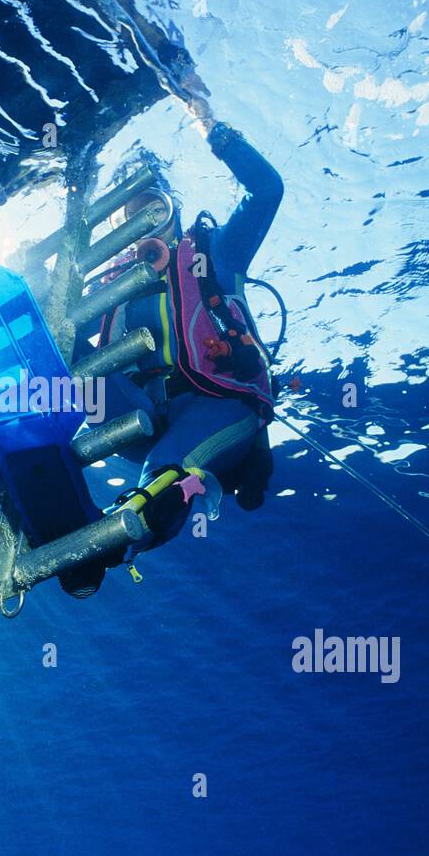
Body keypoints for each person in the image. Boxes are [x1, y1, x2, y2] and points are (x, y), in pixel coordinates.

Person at [79, 77, 285, 569]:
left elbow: (267, 190)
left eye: (156, 209)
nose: (146, 223)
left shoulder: (216, 253)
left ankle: (114, 544)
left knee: (166, 472)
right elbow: (66, 346)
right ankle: (19, 463)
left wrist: (208, 122)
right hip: (136, 414)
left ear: (174, 211)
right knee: (51, 355)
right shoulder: (109, 285)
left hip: (219, 406)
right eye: (132, 216)